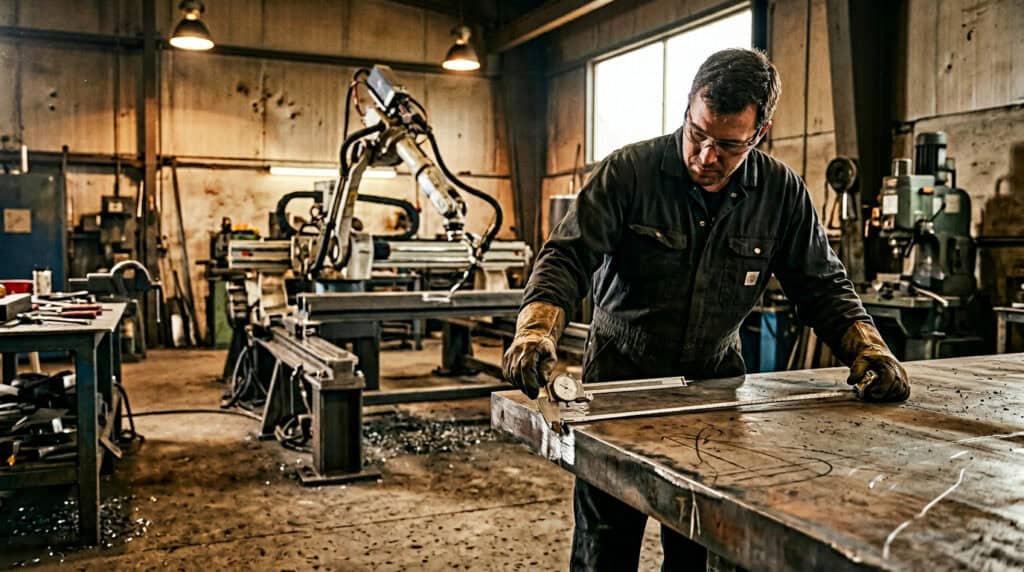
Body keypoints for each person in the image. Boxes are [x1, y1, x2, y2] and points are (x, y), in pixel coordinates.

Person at [502, 48, 910, 571]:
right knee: (606, 544)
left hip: (714, 396)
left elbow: (823, 286)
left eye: (729, 145)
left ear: (760, 134)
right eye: (698, 135)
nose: (706, 156)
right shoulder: (630, 172)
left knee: (699, 547)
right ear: (687, 110)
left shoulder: (781, 193)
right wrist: (535, 333)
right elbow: (567, 256)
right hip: (620, 388)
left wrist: (869, 349)